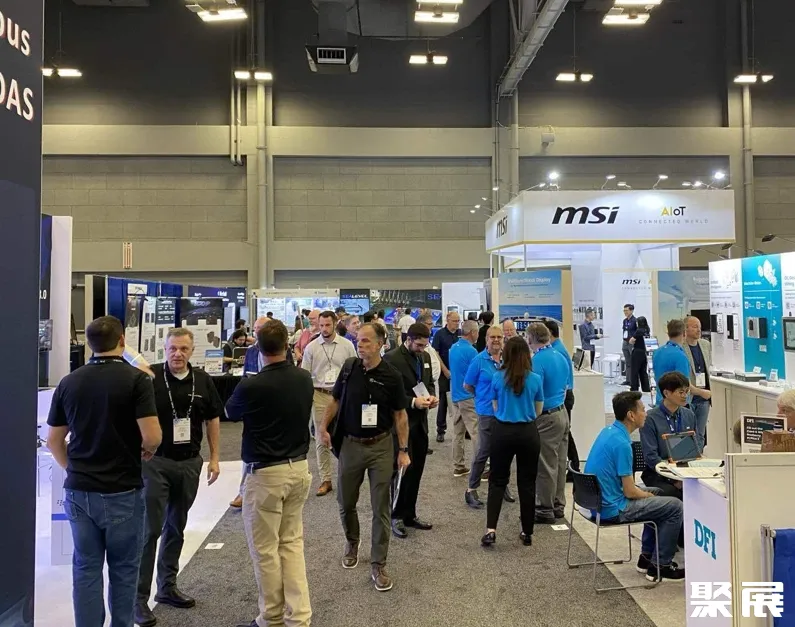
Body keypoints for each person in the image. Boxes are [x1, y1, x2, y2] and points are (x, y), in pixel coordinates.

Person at [46, 316, 162, 627]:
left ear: (89, 344)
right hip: (122, 489)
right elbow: (152, 436)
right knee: (124, 569)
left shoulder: (69, 382)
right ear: (122, 341)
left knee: (85, 567)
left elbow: (54, 440)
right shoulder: (137, 380)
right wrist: (148, 450)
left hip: (79, 491)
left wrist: (75, 468)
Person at [225, 319, 314, 627]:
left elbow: (230, 412)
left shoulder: (252, 385)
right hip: (299, 468)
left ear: (257, 349)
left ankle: (271, 616)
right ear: (287, 346)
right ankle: (298, 617)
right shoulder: (304, 378)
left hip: (265, 475)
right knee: (292, 544)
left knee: (265, 550)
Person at [135, 328, 223, 627]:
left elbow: (213, 419)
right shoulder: (149, 378)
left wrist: (214, 457)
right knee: (150, 530)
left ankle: (167, 586)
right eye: (173, 348)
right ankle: (138, 598)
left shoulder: (203, 380)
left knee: (176, 526)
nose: (178, 354)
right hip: (155, 463)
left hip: (189, 463)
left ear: (192, 350)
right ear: (164, 348)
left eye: (184, 349)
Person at [317, 322, 411, 592]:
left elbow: (400, 415)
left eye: (367, 341)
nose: (360, 344)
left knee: (381, 507)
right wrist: (323, 427)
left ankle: (378, 563)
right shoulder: (349, 368)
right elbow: (335, 400)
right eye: (359, 340)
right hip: (350, 445)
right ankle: (352, 541)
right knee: (345, 501)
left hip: (381, 446)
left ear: (381, 344)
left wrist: (403, 451)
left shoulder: (392, 376)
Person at [585, 391, 685, 581]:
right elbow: (630, 491)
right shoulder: (622, 445)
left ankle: (646, 558)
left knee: (659, 493)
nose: (645, 413)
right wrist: (647, 496)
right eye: (642, 409)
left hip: (598, 501)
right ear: (631, 415)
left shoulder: (608, 432)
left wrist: (650, 495)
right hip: (613, 509)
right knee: (675, 506)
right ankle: (661, 566)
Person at [480, 337, 543, 548]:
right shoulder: (535, 379)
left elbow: (495, 406)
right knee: (527, 483)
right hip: (528, 432)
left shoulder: (498, 377)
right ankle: (527, 531)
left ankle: (491, 530)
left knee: (497, 480)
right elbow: (538, 410)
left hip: (503, 432)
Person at [384, 323, 438, 538]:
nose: (422, 349)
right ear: (408, 339)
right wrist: (413, 402)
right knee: (400, 472)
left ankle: (410, 514)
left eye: (425, 345)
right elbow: (388, 396)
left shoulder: (424, 357)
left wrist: (431, 396)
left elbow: (428, 383)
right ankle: (395, 515)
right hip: (401, 424)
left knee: (416, 471)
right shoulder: (392, 359)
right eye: (419, 345)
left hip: (421, 423)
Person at [301, 310, 357, 496]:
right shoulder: (311, 347)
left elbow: (355, 370)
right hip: (320, 394)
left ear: (335, 324)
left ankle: (346, 475)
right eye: (321, 325)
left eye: (327, 325)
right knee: (321, 436)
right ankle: (326, 479)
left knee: (346, 434)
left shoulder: (347, 345)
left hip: (343, 395)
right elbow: (305, 374)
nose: (324, 329)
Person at [464, 324, 515, 508]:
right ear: (486, 340)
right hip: (486, 413)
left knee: (504, 452)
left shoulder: (507, 359)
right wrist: (481, 397)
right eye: (492, 337)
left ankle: (501, 486)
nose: (496, 340)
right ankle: (471, 489)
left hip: (504, 413)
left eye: (499, 337)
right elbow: (467, 385)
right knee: (484, 451)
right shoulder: (478, 361)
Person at [526, 322, 570, 524]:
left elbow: (535, 391)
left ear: (530, 339)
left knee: (545, 464)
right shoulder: (560, 355)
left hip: (546, 416)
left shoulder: (537, 361)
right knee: (560, 462)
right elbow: (567, 385)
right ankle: (558, 505)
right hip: (561, 412)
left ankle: (544, 508)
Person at [640, 372, 702, 497]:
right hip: (659, 473)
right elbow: (651, 455)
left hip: (685, 469)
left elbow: (698, 443)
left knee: (704, 490)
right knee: (676, 495)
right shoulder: (650, 418)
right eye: (680, 392)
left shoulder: (689, 415)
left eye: (686, 391)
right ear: (666, 393)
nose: (685, 396)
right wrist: (673, 479)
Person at [544, 320, 580, 475]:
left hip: (564, 397)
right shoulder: (557, 349)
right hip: (564, 395)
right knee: (565, 432)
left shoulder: (557, 351)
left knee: (565, 433)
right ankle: (573, 466)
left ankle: (574, 467)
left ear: (549, 333)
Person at [449, 320, 480, 477]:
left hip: (455, 395)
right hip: (468, 396)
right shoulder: (472, 351)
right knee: (476, 432)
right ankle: (482, 468)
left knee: (458, 433)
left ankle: (458, 465)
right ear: (472, 333)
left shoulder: (453, 348)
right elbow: (476, 375)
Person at [431, 311, 461, 442]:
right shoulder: (440, 334)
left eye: (458, 321)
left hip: (459, 374)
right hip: (445, 373)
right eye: (454, 321)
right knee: (443, 401)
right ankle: (441, 430)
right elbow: (436, 353)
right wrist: (445, 370)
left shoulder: (460, 334)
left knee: (462, 401)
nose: (457, 323)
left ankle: (464, 429)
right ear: (447, 320)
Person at [683, 316, 712, 445]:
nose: (698, 330)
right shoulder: (681, 347)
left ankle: (699, 455)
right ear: (685, 329)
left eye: (699, 327)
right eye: (695, 327)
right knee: (687, 433)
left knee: (700, 434)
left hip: (704, 398)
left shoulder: (706, 345)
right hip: (688, 397)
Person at [652, 319, 691, 404]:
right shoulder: (680, 356)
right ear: (684, 333)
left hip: (660, 401)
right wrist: (703, 393)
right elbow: (683, 385)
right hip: (675, 405)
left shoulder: (657, 352)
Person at [628, 316, 651, 393]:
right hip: (644, 352)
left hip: (637, 351)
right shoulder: (647, 330)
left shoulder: (638, 331)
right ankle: (646, 387)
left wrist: (632, 340)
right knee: (643, 370)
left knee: (634, 370)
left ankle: (634, 387)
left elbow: (631, 341)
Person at [620, 304, 637, 386]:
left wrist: (634, 338)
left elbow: (638, 331)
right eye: (624, 311)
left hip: (631, 343)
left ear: (631, 311)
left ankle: (634, 380)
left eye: (626, 310)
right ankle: (628, 380)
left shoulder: (635, 321)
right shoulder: (625, 321)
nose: (625, 312)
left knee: (633, 361)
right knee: (627, 362)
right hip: (625, 342)